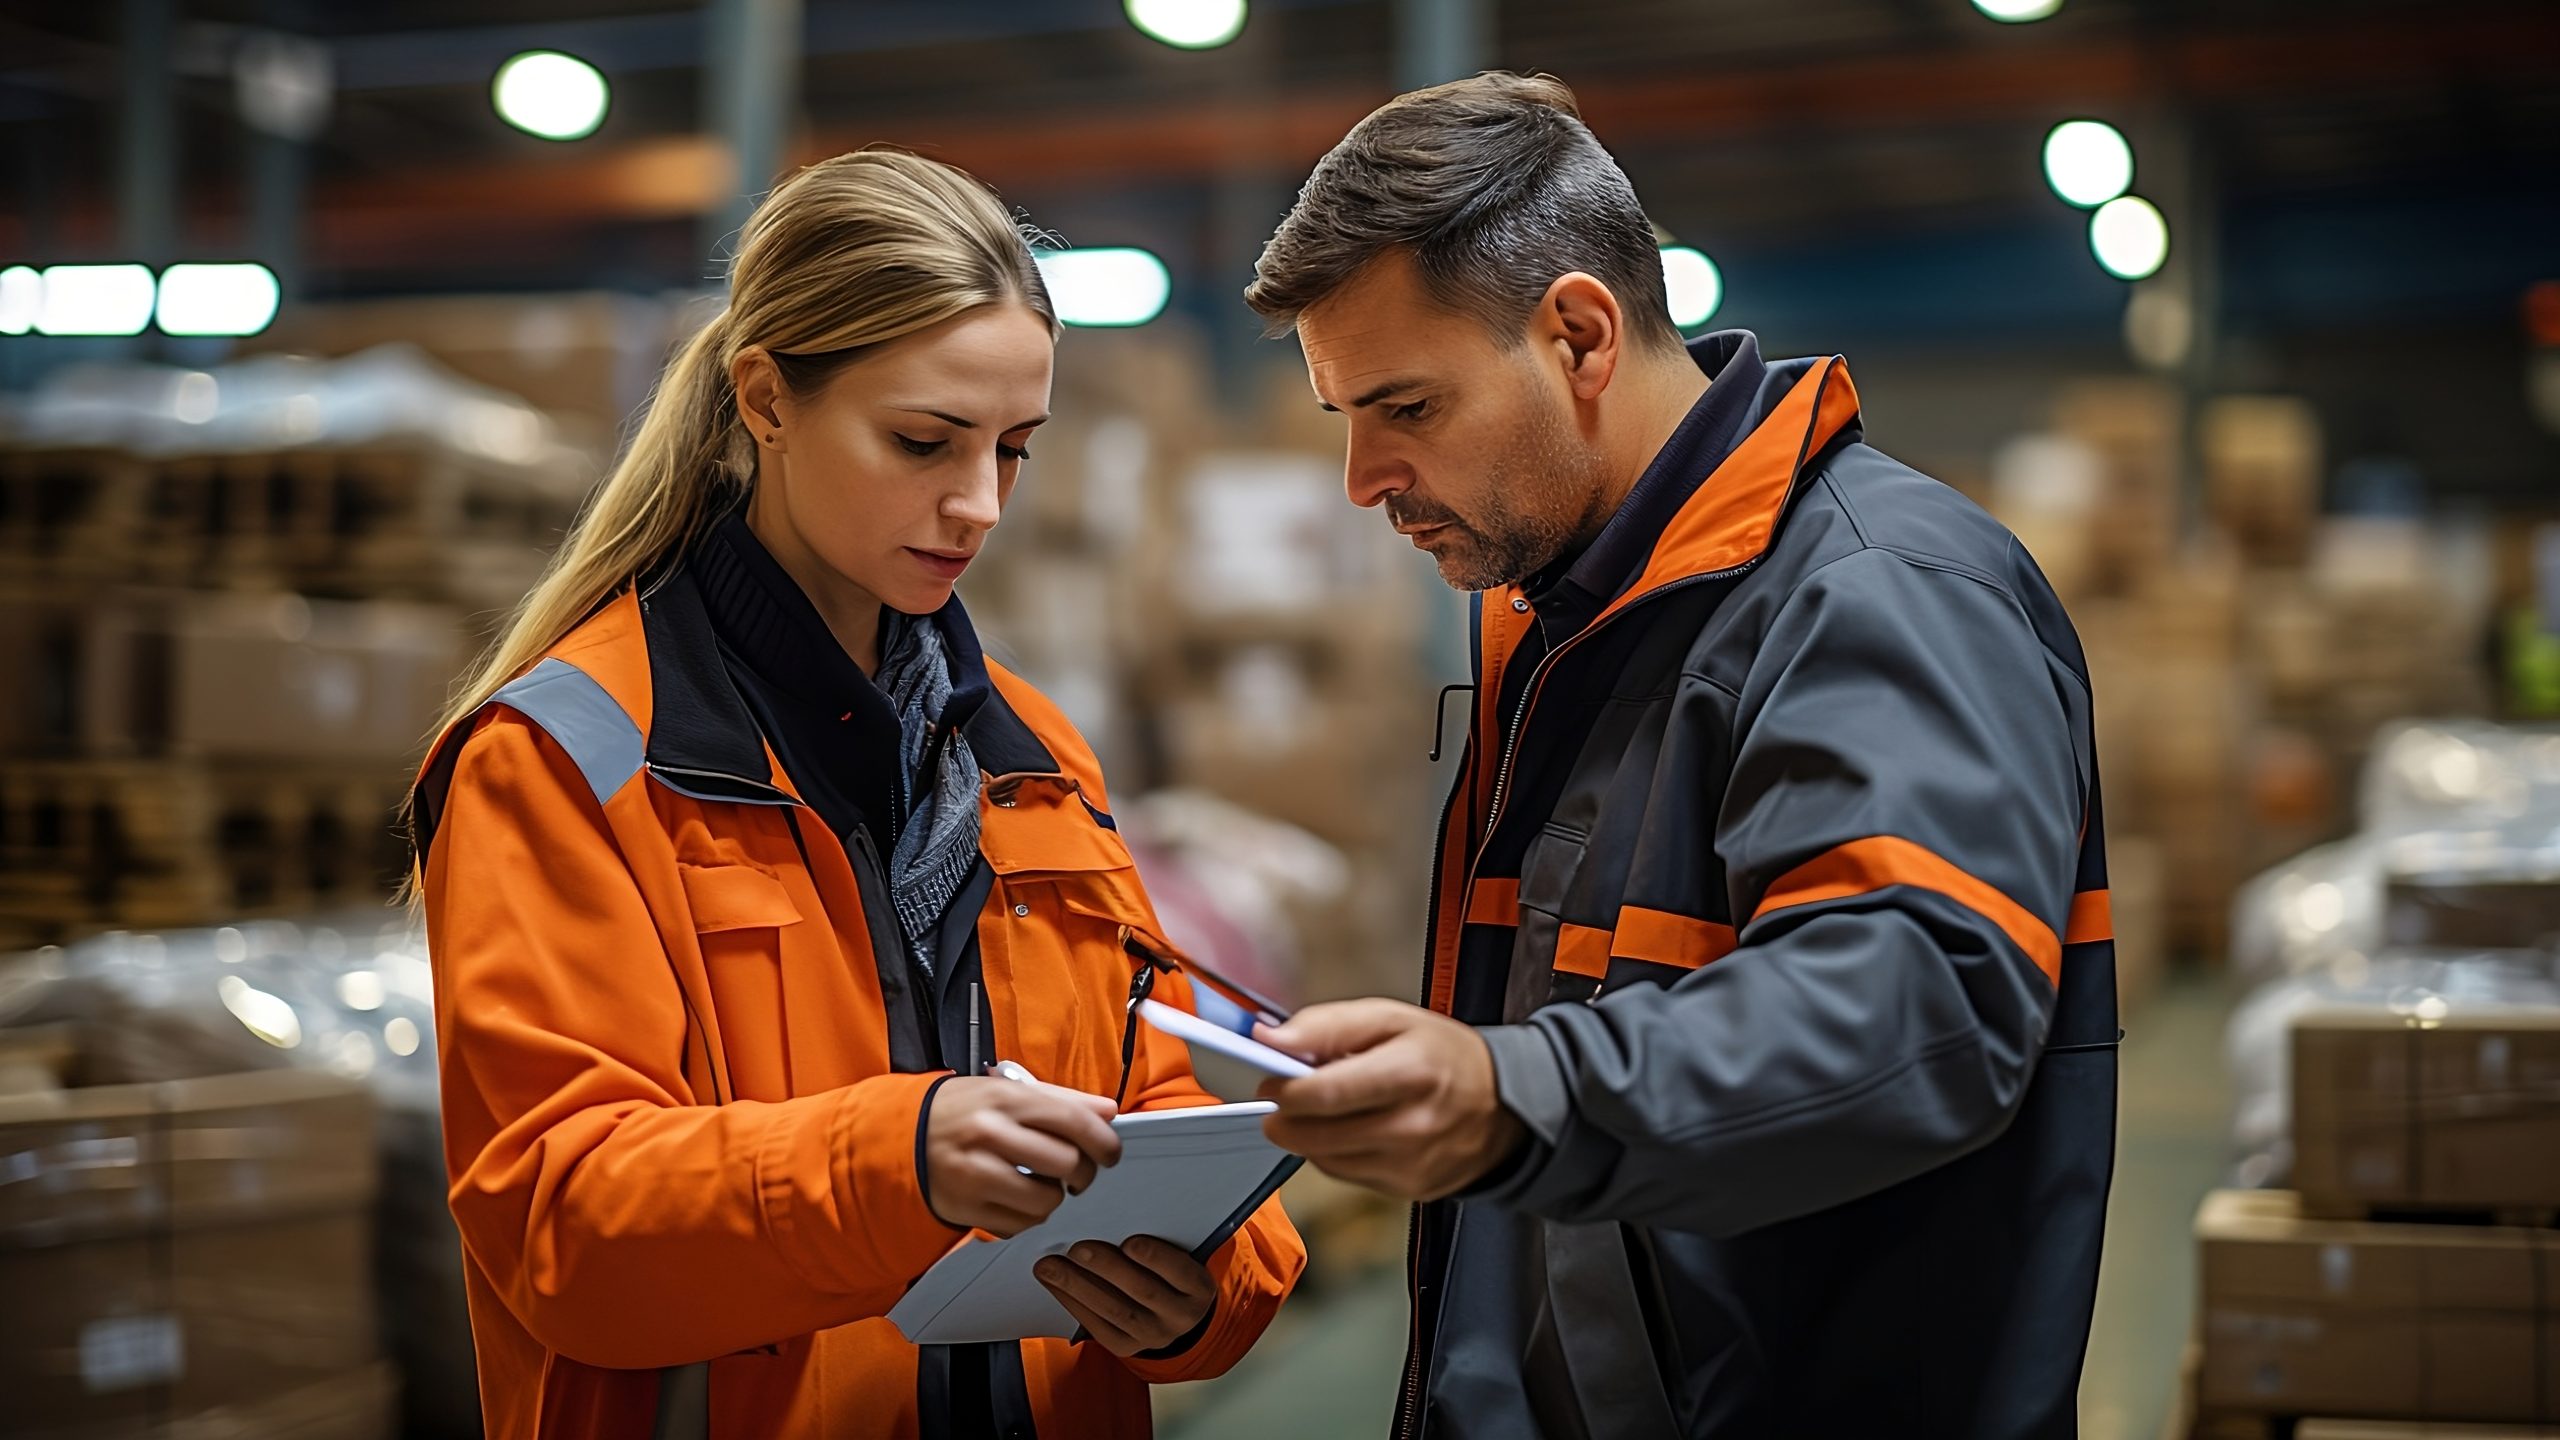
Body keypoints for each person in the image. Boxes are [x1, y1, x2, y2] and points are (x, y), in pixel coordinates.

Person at [1242, 73, 2115, 1439]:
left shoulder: (1875, 594)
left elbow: (1920, 997)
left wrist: (1513, 1091)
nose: (1363, 476)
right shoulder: (1576, 618)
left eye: (1406, 408)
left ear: (1580, 334)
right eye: (1344, 418)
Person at [407, 149, 1303, 1440]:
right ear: (765, 396)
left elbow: (1163, 1106)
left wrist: (1203, 1290)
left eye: (1015, 450)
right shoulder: (568, 762)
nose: (979, 503)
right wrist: (904, 1162)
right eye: (924, 442)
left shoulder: (1034, 761)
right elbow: (563, 1222)